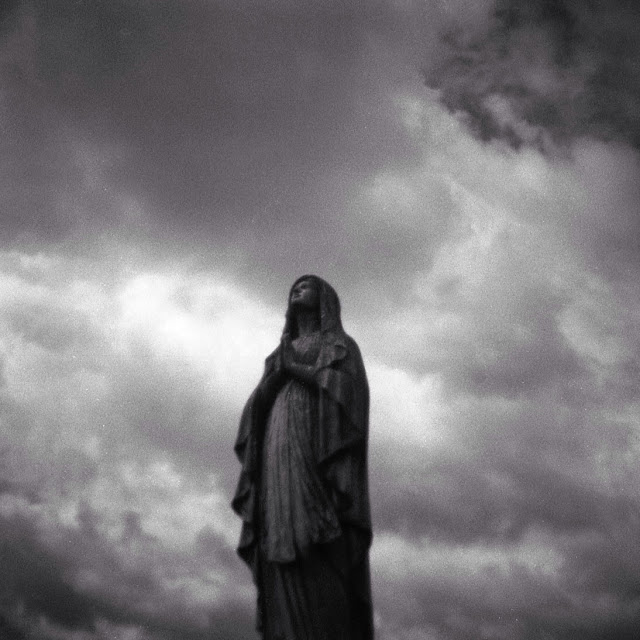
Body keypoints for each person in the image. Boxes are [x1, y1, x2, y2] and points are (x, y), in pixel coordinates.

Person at [232, 275, 373, 640]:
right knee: (278, 533)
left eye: (306, 285)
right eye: (293, 286)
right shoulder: (281, 350)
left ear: (325, 297)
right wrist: (272, 380)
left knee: (311, 533)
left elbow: (350, 395)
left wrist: (294, 369)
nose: (297, 288)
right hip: (277, 441)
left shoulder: (341, 345)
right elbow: (256, 407)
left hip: (315, 443)